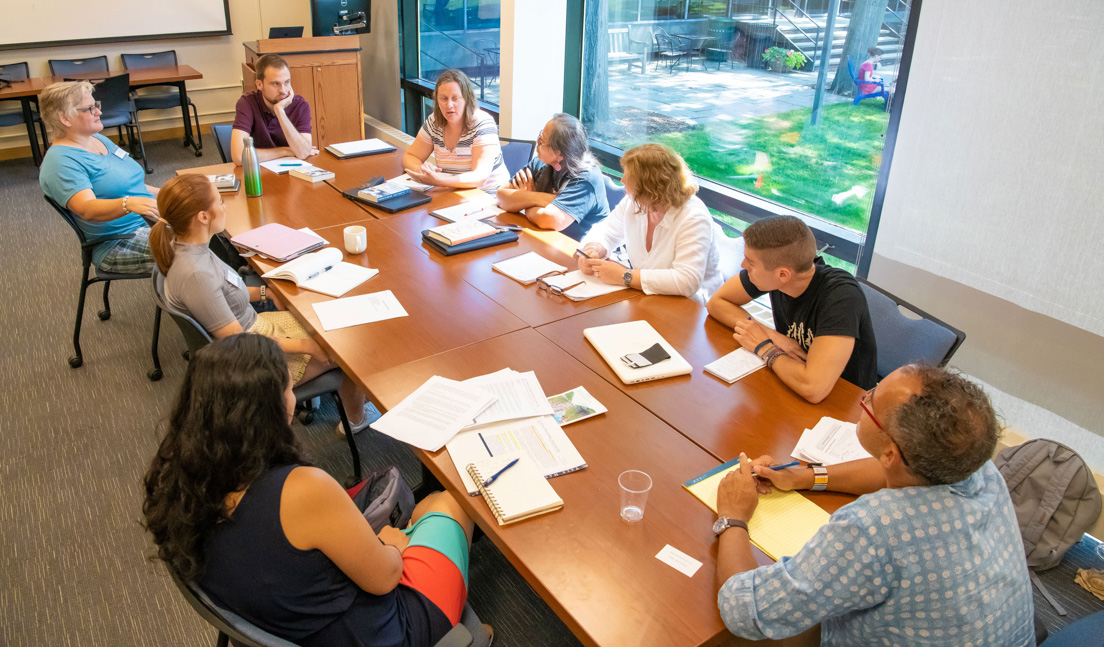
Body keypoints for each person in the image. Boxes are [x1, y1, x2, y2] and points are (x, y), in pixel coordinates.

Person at [143, 334, 477, 647]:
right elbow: (386, 579)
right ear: (271, 408)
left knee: (418, 509)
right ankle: (460, 626)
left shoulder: (181, 473)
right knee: (450, 502)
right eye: (288, 387)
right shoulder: (301, 490)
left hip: (284, 617)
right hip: (380, 632)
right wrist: (390, 546)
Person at [713, 364, 1035, 646]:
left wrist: (733, 515)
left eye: (872, 400)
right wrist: (806, 477)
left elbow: (746, 611)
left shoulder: (874, 528)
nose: (864, 395)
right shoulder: (974, 465)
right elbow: (894, 472)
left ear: (890, 453)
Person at [149, 174, 376, 433]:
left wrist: (267, 294)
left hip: (257, 329)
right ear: (202, 217)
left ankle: (354, 395)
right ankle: (355, 420)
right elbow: (241, 342)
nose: (224, 207)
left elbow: (226, 291)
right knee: (350, 345)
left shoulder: (190, 247)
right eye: (220, 201)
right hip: (257, 355)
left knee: (329, 318)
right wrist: (308, 346)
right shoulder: (195, 273)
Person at [706, 215, 877, 402]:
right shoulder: (779, 275)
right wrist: (772, 335)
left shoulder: (841, 297)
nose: (743, 266)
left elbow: (813, 388)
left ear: (783, 274)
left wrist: (764, 346)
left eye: (751, 263)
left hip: (844, 401)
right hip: (790, 379)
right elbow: (717, 302)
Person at [576, 143, 722, 305]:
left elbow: (687, 281)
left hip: (691, 308)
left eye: (629, 176)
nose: (623, 179)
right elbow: (607, 231)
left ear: (650, 186)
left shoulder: (693, 217)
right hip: (648, 298)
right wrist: (593, 248)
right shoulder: (636, 202)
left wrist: (626, 276)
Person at [39, 81, 160, 274]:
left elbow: (133, 186)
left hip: (149, 222)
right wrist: (127, 203)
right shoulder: (61, 161)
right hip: (119, 242)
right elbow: (87, 209)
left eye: (97, 105)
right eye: (89, 108)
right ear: (65, 118)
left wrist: (172, 194)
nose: (99, 112)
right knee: (197, 244)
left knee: (212, 226)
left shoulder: (97, 139)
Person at [495, 113, 609, 240]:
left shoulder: (586, 179)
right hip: (545, 239)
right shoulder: (541, 162)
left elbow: (548, 220)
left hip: (579, 250)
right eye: (540, 135)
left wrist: (523, 201)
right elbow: (501, 196)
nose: (537, 142)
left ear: (560, 154)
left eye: (542, 141)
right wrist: (539, 197)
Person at [402, 69, 509, 192]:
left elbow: (479, 177)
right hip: (452, 192)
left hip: (489, 195)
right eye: (443, 98)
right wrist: (423, 171)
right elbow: (409, 157)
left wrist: (438, 181)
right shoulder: (434, 121)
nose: (449, 105)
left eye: (455, 98)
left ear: (466, 99)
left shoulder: (483, 123)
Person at [230, 54, 316, 166]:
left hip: (292, 171)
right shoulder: (247, 103)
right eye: (275, 84)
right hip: (259, 173)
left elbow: (303, 153)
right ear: (259, 84)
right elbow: (239, 157)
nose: (283, 91)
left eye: (287, 82)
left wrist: (280, 111)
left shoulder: (300, 105)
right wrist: (285, 151)